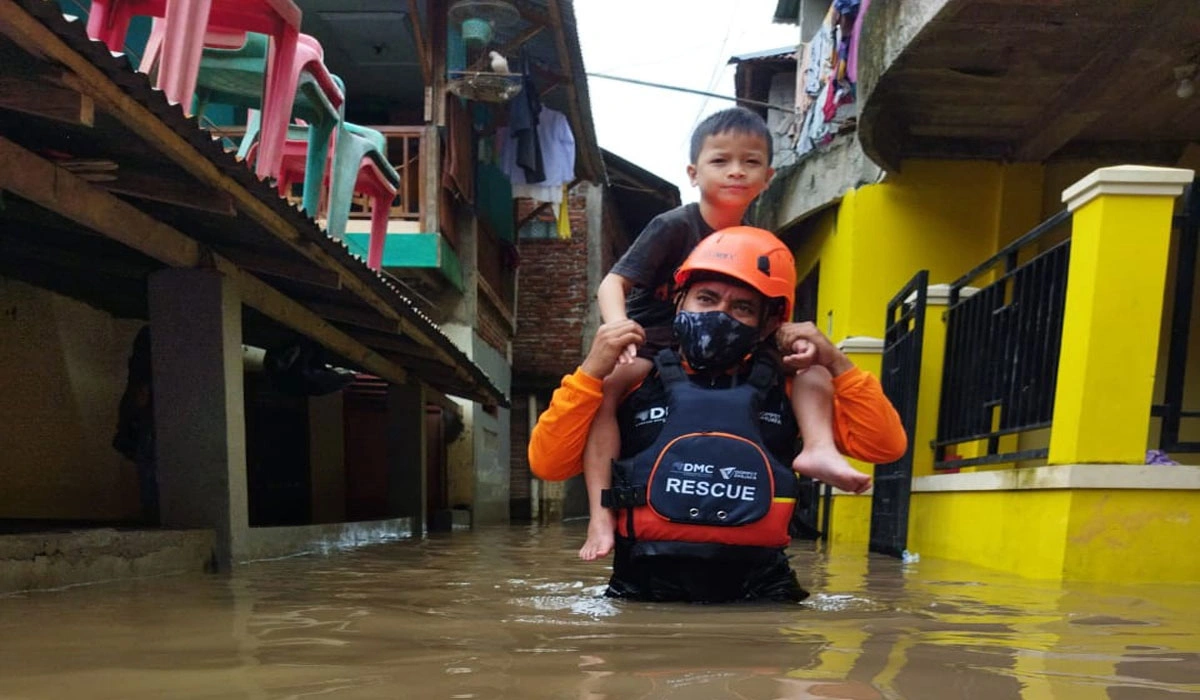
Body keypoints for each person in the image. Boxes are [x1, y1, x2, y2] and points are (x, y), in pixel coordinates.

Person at [529, 230, 907, 602]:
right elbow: (548, 465)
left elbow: (884, 447)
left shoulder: (794, 388)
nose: (719, 314)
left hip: (760, 589)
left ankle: (819, 450)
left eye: (742, 308)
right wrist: (589, 372)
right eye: (706, 299)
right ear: (680, 302)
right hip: (644, 584)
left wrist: (837, 362)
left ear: (767, 323)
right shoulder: (633, 379)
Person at [580, 107, 866, 562]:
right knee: (607, 392)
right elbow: (612, 283)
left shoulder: (761, 242)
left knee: (809, 366)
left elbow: (772, 307)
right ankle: (600, 515)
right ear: (694, 173)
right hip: (658, 339)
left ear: (768, 177)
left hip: (734, 343)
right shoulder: (673, 225)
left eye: (750, 162)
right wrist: (620, 331)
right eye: (721, 160)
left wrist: (797, 341)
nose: (736, 171)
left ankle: (818, 449)